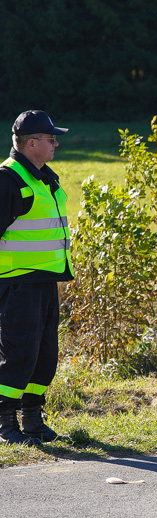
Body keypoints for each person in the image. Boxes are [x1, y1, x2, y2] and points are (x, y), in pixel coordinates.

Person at [0, 111, 74, 445]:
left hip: (43, 281)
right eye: (50, 138)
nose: (56, 143)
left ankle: (32, 419)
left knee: (44, 355)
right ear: (32, 143)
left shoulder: (44, 177)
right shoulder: (8, 180)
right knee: (18, 355)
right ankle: (5, 425)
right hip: (17, 283)